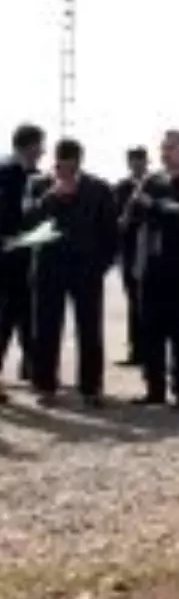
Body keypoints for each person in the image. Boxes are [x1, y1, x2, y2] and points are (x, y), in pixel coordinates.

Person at [28, 138, 119, 408]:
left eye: (70, 161)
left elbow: (111, 234)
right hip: (48, 269)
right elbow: (28, 221)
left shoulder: (99, 189)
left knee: (90, 329)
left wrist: (99, 267)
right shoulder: (40, 185)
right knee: (45, 328)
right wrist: (50, 196)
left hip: (86, 271)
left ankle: (91, 387)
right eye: (60, 161)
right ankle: (46, 385)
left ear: (79, 161)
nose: (64, 167)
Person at [132, 130, 179, 410]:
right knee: (150, 330)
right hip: (151, 267)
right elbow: (137, 211)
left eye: (171, 148)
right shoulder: (152, 181)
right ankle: (154, 389)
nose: (165, 153)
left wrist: (157, 207)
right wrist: (156, 208)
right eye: (162, 148)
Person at [0, 123, 45, 397]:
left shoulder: (34, 175)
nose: (43, 150)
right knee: (5, 319)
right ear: (29, 146)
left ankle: (34, 370)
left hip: (26, 257)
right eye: (40, 144)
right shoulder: (7, 174)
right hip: (8, 259)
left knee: (30, 316)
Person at [113, 146, 151, 368]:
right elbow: (115, 221)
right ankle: (137, 351)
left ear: (147, 162)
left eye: (141, 160)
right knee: (134, 303)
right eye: (133, 161)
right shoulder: (121, 188)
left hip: (151, 254)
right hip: (129, 253)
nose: (137, 165)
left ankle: (153, 352)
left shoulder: (156, 185)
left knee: (151, 304)